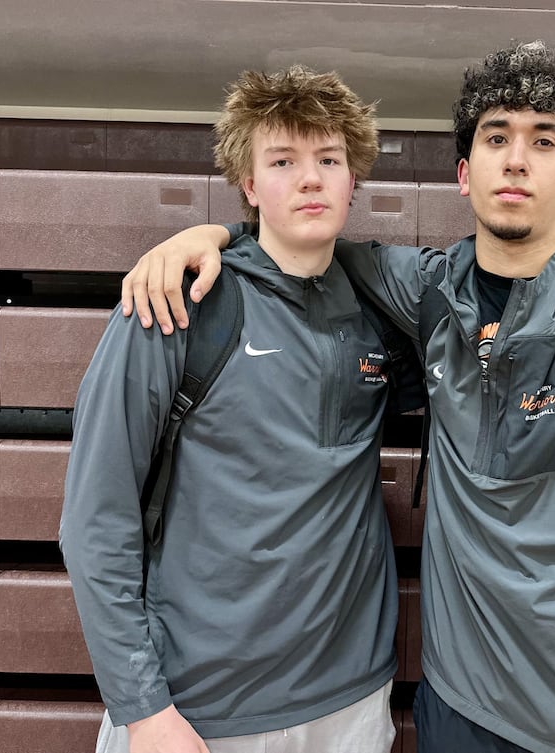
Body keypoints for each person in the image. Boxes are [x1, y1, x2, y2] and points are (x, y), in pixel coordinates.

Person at [123, 42, 555, 753]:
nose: (518, 158)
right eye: (497, 137)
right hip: (453, 708)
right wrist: (212, 231)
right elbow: (306, 239)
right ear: (465, 175)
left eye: (545, 140)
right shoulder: (428, 291)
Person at [60, 65, 400, 753]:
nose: (310, 179)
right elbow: (95, 521)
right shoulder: (175, 307)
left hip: (352, 703)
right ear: (249, 184)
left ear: (352, 178)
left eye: (328, 159)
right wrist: (143, 708)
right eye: (283, 160)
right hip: (197, 711)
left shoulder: (381, 313)